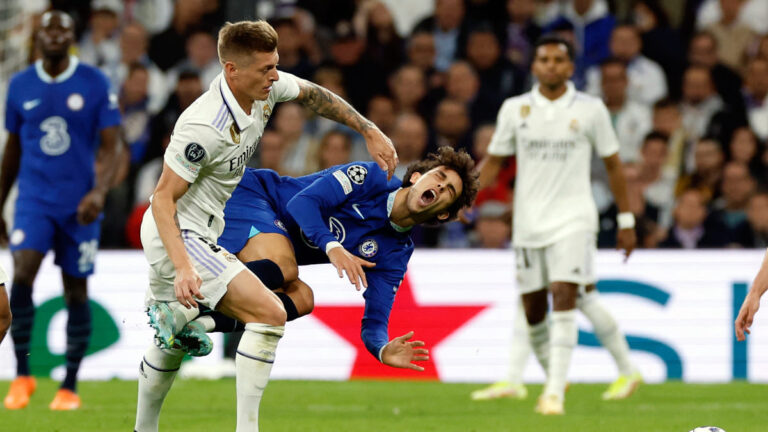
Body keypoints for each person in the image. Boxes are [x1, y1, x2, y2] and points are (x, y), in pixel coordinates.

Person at [134, 20, 397, 432]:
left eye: (275, 66)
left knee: (172, 343)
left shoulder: (266, 89)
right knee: (271, 311)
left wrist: (367, 128)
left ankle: (145, 422)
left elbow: (314, 94)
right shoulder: (203, 126)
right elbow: (163, 198)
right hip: (181, 233)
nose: (274, 76)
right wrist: (184, 265)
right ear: (231, 70)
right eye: (265, 69)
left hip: (206, 229)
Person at [172, 147, 478, 370]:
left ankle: (199, 324)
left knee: (303, 299)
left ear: (443, 212)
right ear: (415, 177)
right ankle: (184, 302)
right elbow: (301, 203)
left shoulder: (395, 253)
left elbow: (375, 319)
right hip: (254, 195)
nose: (439, 186)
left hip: (272, 247)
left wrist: (382, 349)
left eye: (448, 190)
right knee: (285, 268)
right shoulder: (370, 178)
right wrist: (332, 246)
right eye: (438, 176)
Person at [474, 35, 638, 415]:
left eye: (558, 60)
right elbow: (494, 161)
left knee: (565, 294)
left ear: (570, 67)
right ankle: (581, 375)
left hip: (574, 219)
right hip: (529, 222)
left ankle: (553, 394)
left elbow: (613, 164)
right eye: (543, 59)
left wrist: (626, 219)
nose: (550, 65)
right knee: (534, 306)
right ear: (533, 66)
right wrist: (466, 197)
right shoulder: (515, 109)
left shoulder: (592, 109)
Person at [0, 11, 122, 411]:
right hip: (34, 200)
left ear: (71, 38)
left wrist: (99, 192)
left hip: (79, 204)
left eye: (63, 31)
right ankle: (21, 376)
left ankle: (69, 385)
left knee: (76, 290)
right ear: (38, 38)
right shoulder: (19, 85)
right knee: (21, 274)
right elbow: (13, 149)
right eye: (48, 30)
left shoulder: (93, 81)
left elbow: (110, 146)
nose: (54, 36)